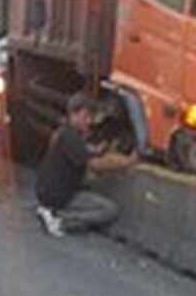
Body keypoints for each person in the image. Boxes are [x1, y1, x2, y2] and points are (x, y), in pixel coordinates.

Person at [35, 93, 138, 236]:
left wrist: (102, 151)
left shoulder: (64, 133)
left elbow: (89, 152)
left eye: (90, 117)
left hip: (49, 191)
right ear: (74, 114)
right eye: (85, 116)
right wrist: (127, 162)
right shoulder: (70, 137)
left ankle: (54, 213)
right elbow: (95, 165)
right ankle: (60, 218)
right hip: (60, 195)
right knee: (109, 210)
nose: (89, 121)